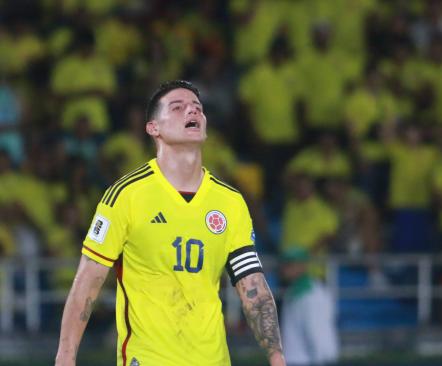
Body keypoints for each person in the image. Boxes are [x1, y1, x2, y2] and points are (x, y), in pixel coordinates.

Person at [55, 80, 286, 366]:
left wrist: (276, 356)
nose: (192, 111)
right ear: (154, 128)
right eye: (178, 107)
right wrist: (66, 356)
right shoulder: (125, 195)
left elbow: (251, 283)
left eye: (198, 108)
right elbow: (88, 280)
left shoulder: (230, 202)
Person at [280, 247, 339, 366]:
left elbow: (319, 334)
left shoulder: (314, 294)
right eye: (285, 264)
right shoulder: (291, 292)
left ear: (303, 265)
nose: (286, 268)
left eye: (291, 264)